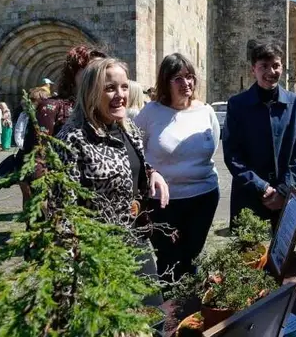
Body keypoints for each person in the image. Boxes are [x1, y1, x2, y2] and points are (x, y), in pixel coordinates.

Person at [54, 57, 170, 306]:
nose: (120, 95)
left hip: (136, 238)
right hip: (99, 252)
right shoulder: (72, 138)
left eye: (124, 86)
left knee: (153, 314)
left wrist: (152, 173)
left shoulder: (126, 127)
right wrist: (72, 271)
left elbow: (131, 164)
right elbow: (63, 211)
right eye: (110, 88)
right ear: (91, 92)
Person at [135, 53, 221, 282]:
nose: (186, 83)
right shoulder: (151, 113)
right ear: (166, 82)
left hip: (204, 197)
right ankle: (171, 311)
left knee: (192, 258)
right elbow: (135, 152)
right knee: (169, 262)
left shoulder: (206, 111)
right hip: (163, 203)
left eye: (190, 77)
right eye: (178, 79)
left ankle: (189, 308)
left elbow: (213, 145)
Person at [223, 39, 296, 229]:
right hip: (250, 196)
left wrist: (283, 189)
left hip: (288, 195)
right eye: (264, 66)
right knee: (253, 254)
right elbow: (232, 154)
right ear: (253, 69)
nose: (271, 72)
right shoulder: (237, 105)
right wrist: (261, 187)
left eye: (276, 66)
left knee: (288, 254)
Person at [15, 45, 107, 209]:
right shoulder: (52, 107)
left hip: (98, 197)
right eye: (91, 70)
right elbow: (36, 153)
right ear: (73, 75)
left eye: (102, 71)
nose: (97, 77)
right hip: (63, 196)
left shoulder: (105, 109)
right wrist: (42, 195)